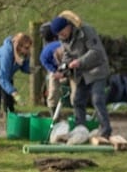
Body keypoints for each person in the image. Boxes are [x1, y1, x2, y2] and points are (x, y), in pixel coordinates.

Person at [50, 10, 112, 139]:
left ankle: (105, 130)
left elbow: (96, 51)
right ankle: (80, 129)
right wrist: (63, 72)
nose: (61, 36)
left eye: (62, 32)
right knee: (78, 100)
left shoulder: (86, 31)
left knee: (97, 99)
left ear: (68, 26)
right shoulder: (64, 39)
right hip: (82, 73)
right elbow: (67, 56)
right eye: (59, 35)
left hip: (97, 70)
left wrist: (79, 61)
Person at [0, 32, 34, 136]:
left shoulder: (24, 54)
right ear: (20, 46)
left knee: (9, 101)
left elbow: (22, 66)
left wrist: (31, 70)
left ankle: (10, 130)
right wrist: (13, 92)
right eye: (27, 48)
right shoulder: (6, 54)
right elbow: (2, 78)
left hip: (6, 75)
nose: (28, 50)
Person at [39, 21, 64, 117]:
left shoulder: (62, 44)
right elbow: (45, 61)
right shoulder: (46, 49)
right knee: (53, 92)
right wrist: (55, 71)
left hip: (68, 67)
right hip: (54, 69)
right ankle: (54, 116)